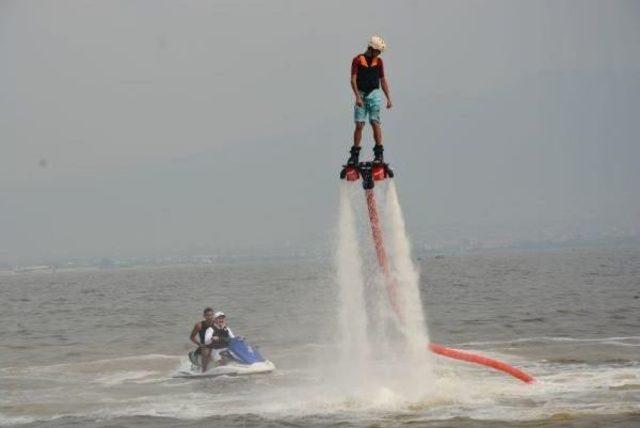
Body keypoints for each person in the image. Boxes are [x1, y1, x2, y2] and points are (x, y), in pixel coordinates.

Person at [346, 35, 392, 166]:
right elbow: (353, 79)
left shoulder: (379, 62)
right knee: (359, 124)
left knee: (374, 121)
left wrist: (388, 98)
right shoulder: (357, 60)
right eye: (377, 51)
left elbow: (383, 80)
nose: (378, 54)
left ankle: (379, 153)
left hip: (374, 94)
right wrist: (357, 97)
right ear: (371, 48)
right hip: (361, 94)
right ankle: (354, 155)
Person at [189, 307, 216, 372]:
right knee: (205, 349)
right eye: (207, 315)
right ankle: (204, 371)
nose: (209, 317)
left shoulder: (216, 324)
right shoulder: (199, 325)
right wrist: (199, 344)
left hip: (214, 346)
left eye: (211, 315)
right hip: (203, 347)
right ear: (204, 316)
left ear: (213, 315)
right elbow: (192, 337)